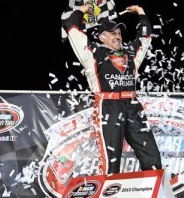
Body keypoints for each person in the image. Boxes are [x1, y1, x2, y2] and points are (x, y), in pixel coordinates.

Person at [64, 4, 162, 174]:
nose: (118, 36)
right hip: (107, 106)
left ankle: (156, 195)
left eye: (119, 33)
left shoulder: (131, 53)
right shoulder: (92, 54)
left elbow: (145, 36)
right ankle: (108, 197)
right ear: (102, 37)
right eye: (112, 33)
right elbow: (72, 29)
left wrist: (141, 12)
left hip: (133, 106)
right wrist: (82, 10)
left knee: (152, 157)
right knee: (111, 162)